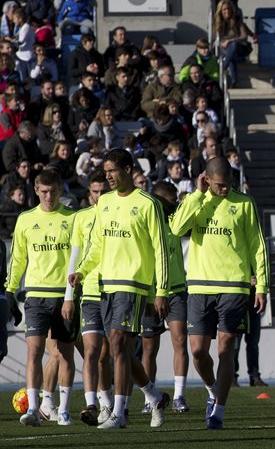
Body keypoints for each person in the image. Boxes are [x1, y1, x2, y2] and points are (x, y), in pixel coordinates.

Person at [68, 150, 171, 430]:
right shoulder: (105, 202)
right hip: (106, 284)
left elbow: (161, 250)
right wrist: (82, 271)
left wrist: (161, 291)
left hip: (134, 284)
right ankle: (154, 396)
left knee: (116, 342)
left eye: (113, 170)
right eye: (106, 171)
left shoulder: (148, 203)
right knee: (120, 348)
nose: (109, 176)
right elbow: (96, 245)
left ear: (128, 169)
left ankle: (119, 413)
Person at [171, 158, 268, 428]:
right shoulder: (197, 200)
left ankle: (219, 411)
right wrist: (196, 194)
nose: (225, 190)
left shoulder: (244, 203)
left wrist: (261, 286)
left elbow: (257, 246)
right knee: (198, 352)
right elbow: (176, 228)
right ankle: (213, 391)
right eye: (219, 185)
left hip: (234, 287)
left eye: (228, 185)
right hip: (199, 287)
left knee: (226, 348)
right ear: (207, 180)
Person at [9, 169, 75, 426]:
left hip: (64, 296)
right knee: (34, 351)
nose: (49, 196)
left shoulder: (72, 218)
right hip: (36, 296)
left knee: (65, 354)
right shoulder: (26, 219)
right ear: (36, 190)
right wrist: (10, 289)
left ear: (60, 190)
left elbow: (79, 257)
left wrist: (73, 293)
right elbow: (18, 258)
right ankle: (34, 409)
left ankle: (64, 409)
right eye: (44, 192)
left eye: (53, 191)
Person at [65, 172, 114, 425]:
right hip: (90, 291)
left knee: (113, 353)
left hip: (116, 290)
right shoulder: (81, 218)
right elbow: (74, 257)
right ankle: (93, 405)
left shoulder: (117, 214)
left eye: (103, 191)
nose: (99, 196)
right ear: (89, 194)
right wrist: (68, 296)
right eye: (95, 191)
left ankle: (148, 394)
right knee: (92, 351)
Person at [139, 182, 189, 417]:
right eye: (171, 200)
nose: (175, 204)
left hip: (176, 289)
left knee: (180, 340)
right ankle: (149, 397)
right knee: (149, 348)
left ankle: (179, 395)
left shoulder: (176, 223)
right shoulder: (147, 225)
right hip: (151, 293)